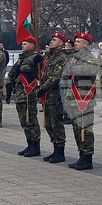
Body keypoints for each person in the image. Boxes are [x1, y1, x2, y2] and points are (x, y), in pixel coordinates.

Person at [64, 32, 97, 169]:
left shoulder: (89, 57)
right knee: (77, 129)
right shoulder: (74, 57)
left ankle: (87, 157)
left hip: (84, 98)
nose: (75, 43)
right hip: (73, 98)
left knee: (85, 129)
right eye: (75, 41)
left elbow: (88, 70)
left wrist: (72, 69)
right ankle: (81, 155)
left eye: (79, 41)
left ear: (86, 44)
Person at [8, 36, 42, 156]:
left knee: (31, 121)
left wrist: (23, 66)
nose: (22, 46)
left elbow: (30, 69)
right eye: (22, 44)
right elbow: (13, 72)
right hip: (20, 94)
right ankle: (30, 144)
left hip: (28, 94)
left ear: (32, 45)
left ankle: (36, 146)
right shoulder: (21, 58)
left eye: (25, 44)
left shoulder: (35, 58)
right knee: (24, 121)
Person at [38, 32, 69, 163]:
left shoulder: (61, 58)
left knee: (56, 124)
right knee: (49, 124)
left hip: (55, 95)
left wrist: (42, 88)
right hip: (47, 95)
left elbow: (56, 77)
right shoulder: (48, 57)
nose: (51, 41)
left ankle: (60, 152)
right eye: (51, 39)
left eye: (54, 40)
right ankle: (55, 148)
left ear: (61, 44)